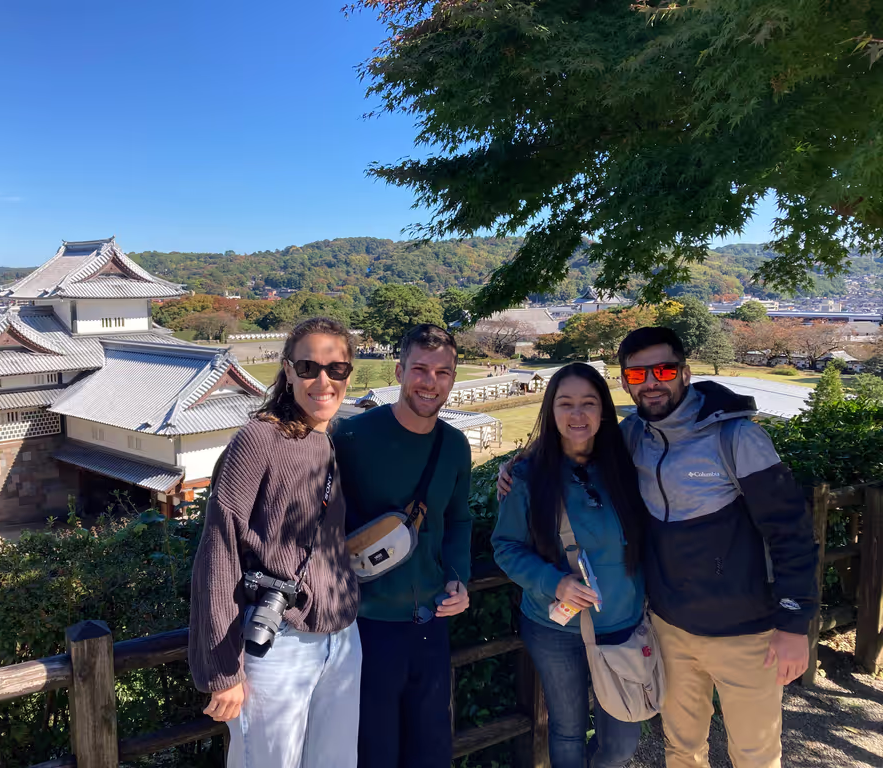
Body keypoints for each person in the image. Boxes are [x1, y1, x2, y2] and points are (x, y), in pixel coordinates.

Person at [499, 327, 818, 768]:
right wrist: (519, 462)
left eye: (664, 370)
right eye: (637, 373)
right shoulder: (633, 439)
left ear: (685, 373)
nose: (651, 381)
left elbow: (792, 532)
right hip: (668, 627)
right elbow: (567, 439)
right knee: (681, 749)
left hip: (741, 630)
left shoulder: (735, 439)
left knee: (754, 754)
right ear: (626, 381)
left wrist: (794, 623)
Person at [189, 317, 362, 768]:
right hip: (278, 640)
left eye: (336, 369)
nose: (323, 381)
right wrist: (223, 669)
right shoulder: (258, 439)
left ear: (349, 373)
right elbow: (218, 550)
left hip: (341, 637)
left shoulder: (327, 442)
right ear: (288, 371)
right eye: (309, 367)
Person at [492, 362, 648, 768]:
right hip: (554, 627)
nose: (577, 415)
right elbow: (505, 547)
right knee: (567, 729)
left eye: (588, 403)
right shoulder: (527, 475)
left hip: (622, 624)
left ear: (604, 411)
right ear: (551, 409)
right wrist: (554, 582)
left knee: (621, 740)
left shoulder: (627, 466)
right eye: (565, 403)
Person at [333, 323, 473, 768]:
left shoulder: (454, 445)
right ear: (398, 371)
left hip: (431, 622)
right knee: (374, 750)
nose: (430, 383)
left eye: (443, 373)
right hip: (367, 625)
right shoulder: (351, 437)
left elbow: (459, 518)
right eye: (420, 369)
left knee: (431, 749)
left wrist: (458, 577)